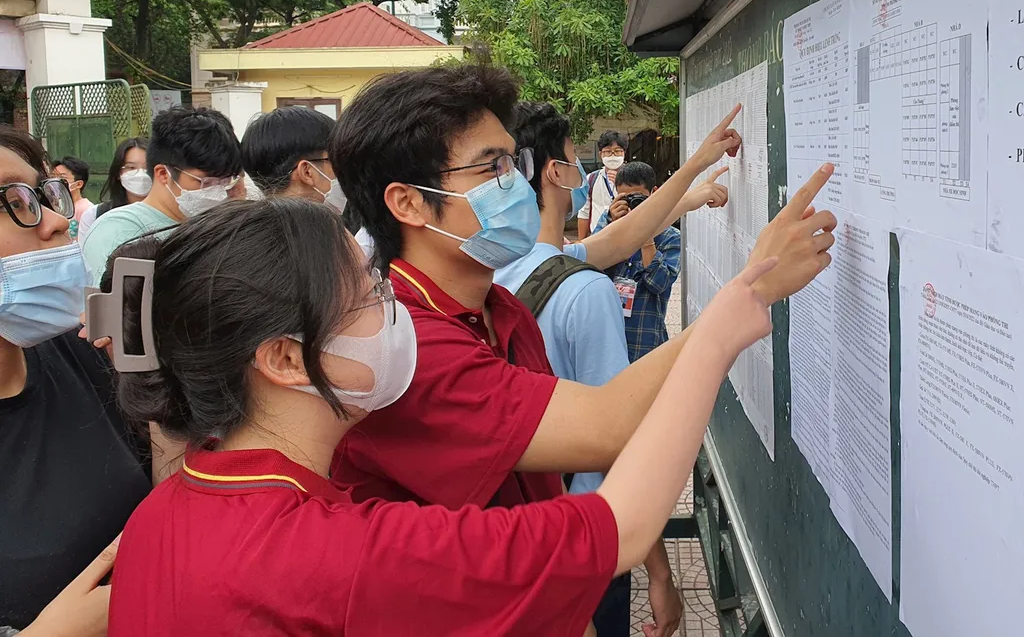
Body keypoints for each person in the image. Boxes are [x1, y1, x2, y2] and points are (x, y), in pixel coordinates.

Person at [98, 198, 781, 635]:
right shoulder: (335, 553)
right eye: (366, 295)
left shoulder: (164, 513)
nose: (393, 308)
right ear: (283, 358)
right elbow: (622, 527)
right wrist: (719, 332)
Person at [328, 63, 836, 520]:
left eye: (513, 163)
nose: (516, 185)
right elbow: (607, 428)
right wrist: (757, 285)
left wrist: (695, 170)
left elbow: (617, 238)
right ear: (410, 204)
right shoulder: (405, 345)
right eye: (492, 168)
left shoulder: (498, 307)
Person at [493, 103, 681, 636]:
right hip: (586, 528)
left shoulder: (487, 266)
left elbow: (610, 242)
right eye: (577, 154)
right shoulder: (585, 289)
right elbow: (615, 441)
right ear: (557, 171)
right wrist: (659, 568)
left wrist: (690, 177)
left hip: (517, 527)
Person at [0, 126, 151, 634]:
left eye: (47, 194)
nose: (58, 221)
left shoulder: (72, 351)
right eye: (15, 201)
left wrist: (154, 381)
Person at [82, 106, 242, 285]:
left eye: (225, 181)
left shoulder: (217, 225)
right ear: (163, 174)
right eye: (206, 182)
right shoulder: (119, 231)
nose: (217, 192)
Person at [591, 162, 682, 362]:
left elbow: (658, 283)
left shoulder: (670, 237)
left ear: (654, 193)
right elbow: (589, 268)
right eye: (626, 198)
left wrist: (646, 234)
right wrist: (613, 226)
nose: (634, 205)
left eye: (639, 198)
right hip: (605, 338)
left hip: (645, 341)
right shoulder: (608, 224)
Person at [241, 106, 346, 212]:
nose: (344, 171)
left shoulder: (245, 225)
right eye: (336, 161)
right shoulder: (320, 227)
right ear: (307, 172)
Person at [75, 138, 148, 247]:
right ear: (118, 173)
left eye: (148, 167)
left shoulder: (172, 215)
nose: (141, 174)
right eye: (131, 167)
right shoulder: (95, 216)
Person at [577, 130, 626, 238]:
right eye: (608, 152)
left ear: (624, 153)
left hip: (626, 238)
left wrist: (621, 185)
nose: (613, 155)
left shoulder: (633, 178)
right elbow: (584, 212)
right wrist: (581, 242)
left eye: (617, 151)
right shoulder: (591, 179)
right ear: (600, 154)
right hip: (597, 238)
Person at [52, 156, 93, 241]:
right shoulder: (55, 208)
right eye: (52, 177)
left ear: (78, 184)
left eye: (62, 178)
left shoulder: (86, 209)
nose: (55, 182)